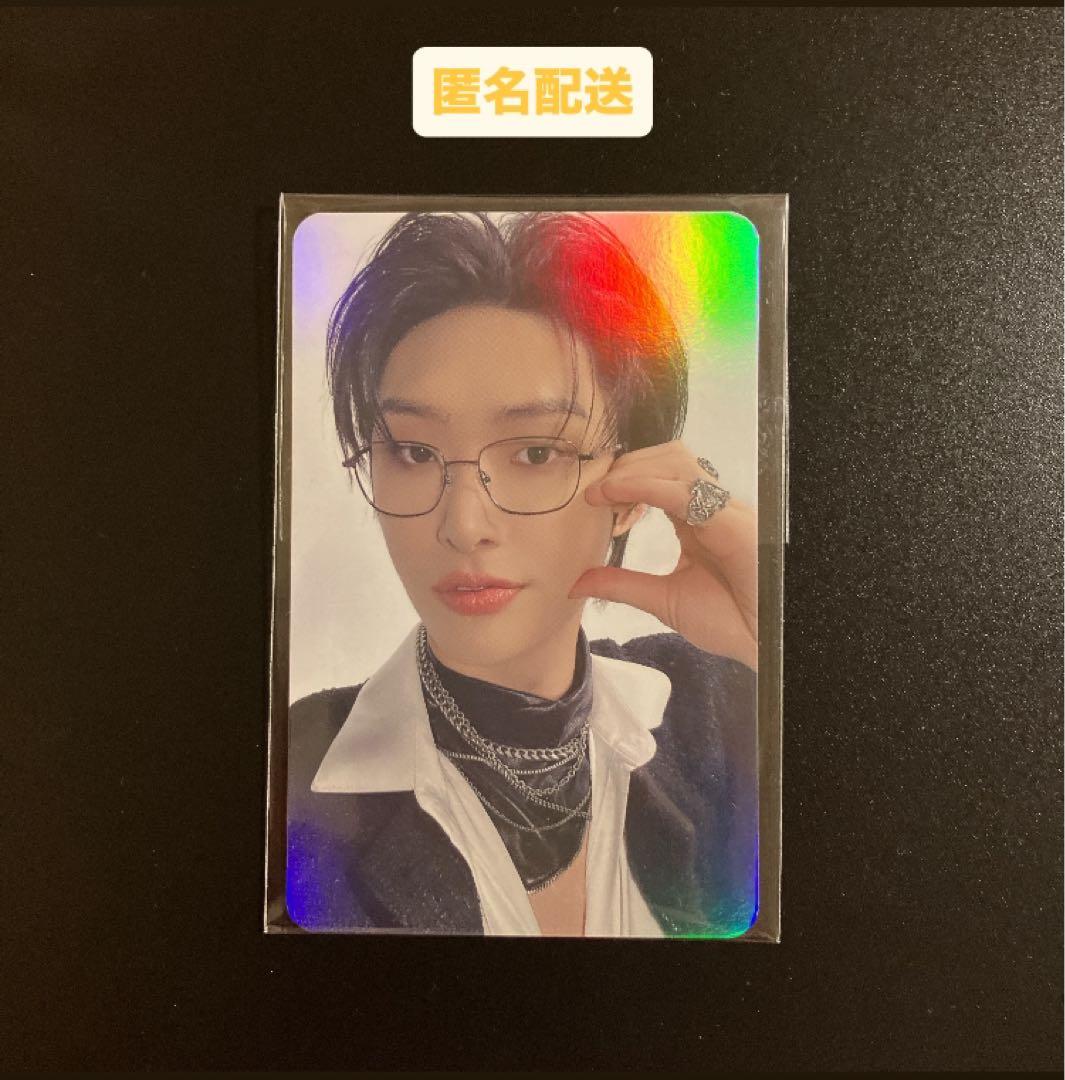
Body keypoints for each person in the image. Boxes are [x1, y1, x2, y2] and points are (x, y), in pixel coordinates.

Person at [285, 210, 759, 937]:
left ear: (632, 490)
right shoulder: (290, 774)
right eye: (413, 452)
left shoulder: (717, 706)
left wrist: (769, 628)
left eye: (536, 453)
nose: (462, 524)